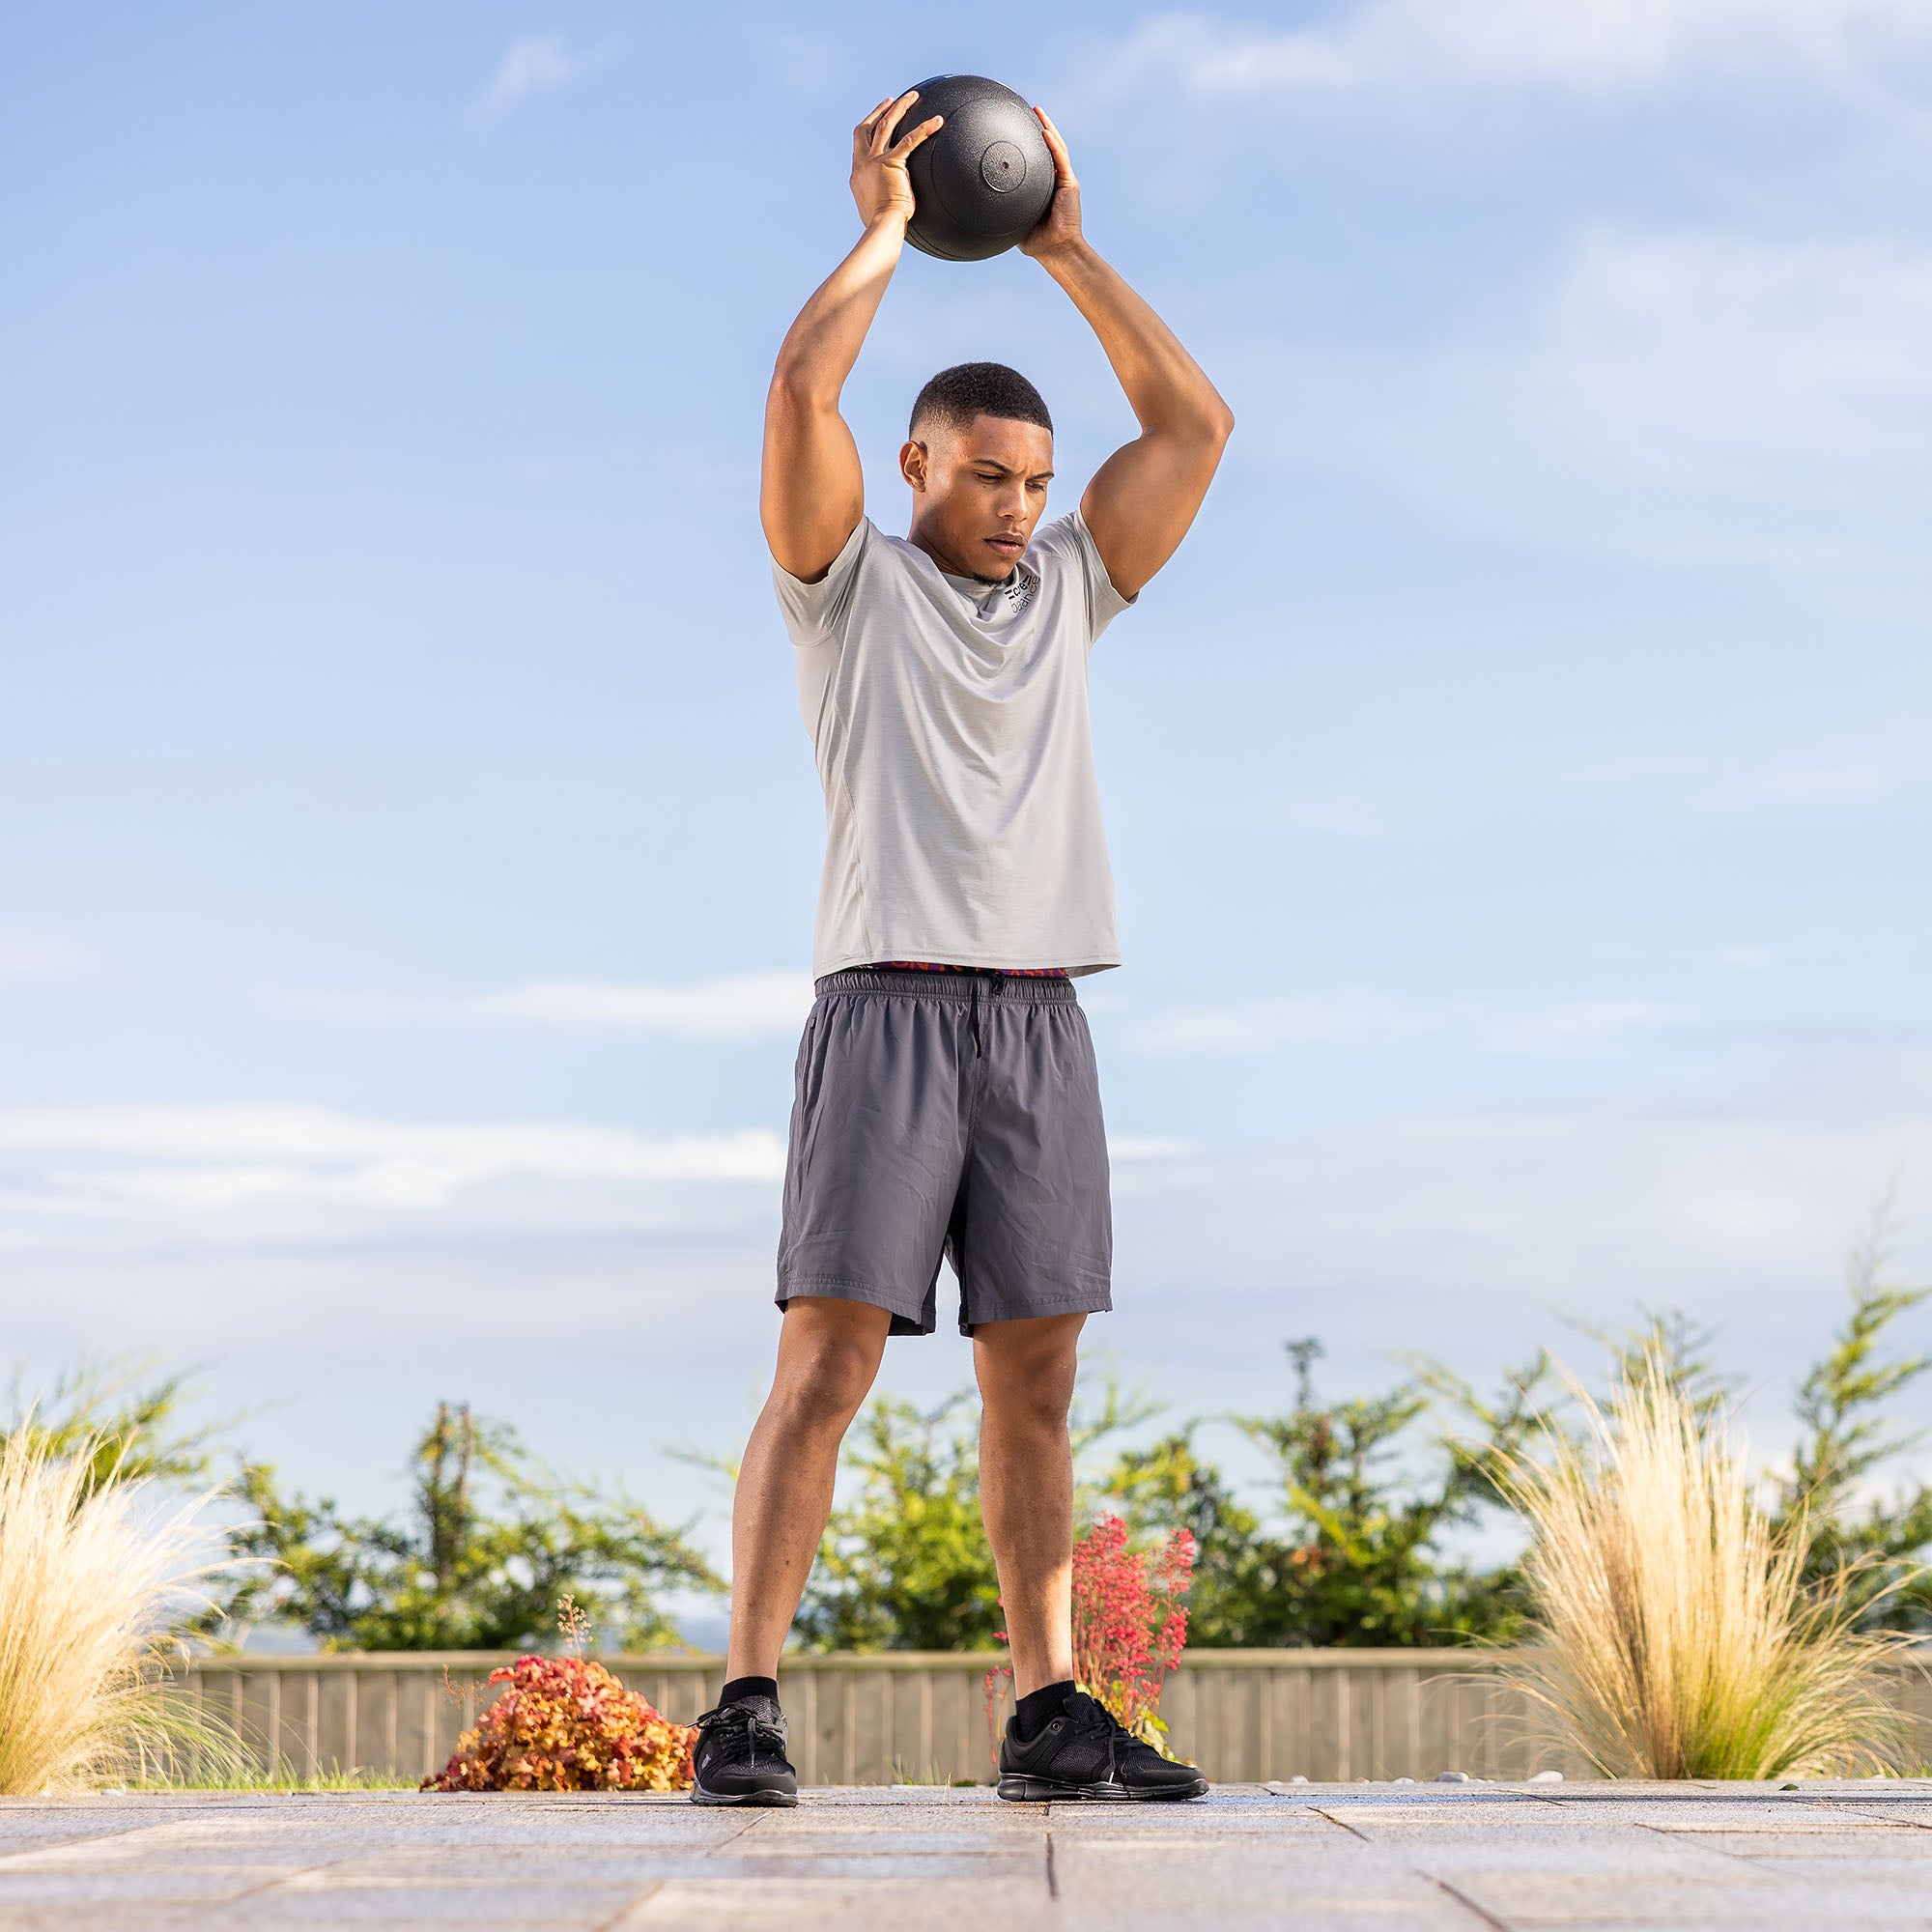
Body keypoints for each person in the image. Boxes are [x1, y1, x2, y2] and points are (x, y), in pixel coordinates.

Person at [692, 89, 1233, 1806]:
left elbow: (1198, 424)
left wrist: (1065, 246)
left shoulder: (1070, 587)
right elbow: (801, 393)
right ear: (918, 466)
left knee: (1043, 1380)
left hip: (1041, 1019)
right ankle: (747, 1703)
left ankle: (1046, 1710)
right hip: (889, 1015)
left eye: (1036, 483)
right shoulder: (843, 586)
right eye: (986, 476)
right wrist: (885, 230)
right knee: (829, 1363)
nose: (1016, 506)